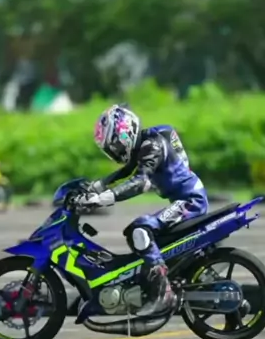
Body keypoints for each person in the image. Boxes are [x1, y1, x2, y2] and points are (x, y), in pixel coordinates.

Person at [73, 104, 209, 317]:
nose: (115, 151)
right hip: (185, 199)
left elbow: (140, 182)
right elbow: (125, 172)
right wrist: (94, 187)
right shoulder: (145, 144)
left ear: (126, 133)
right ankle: (154, 282)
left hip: (190, 201)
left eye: (115, 145)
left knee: (141, 230)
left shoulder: (152, 146)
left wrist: (102, 199)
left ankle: (163, 293)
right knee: (133, 233)